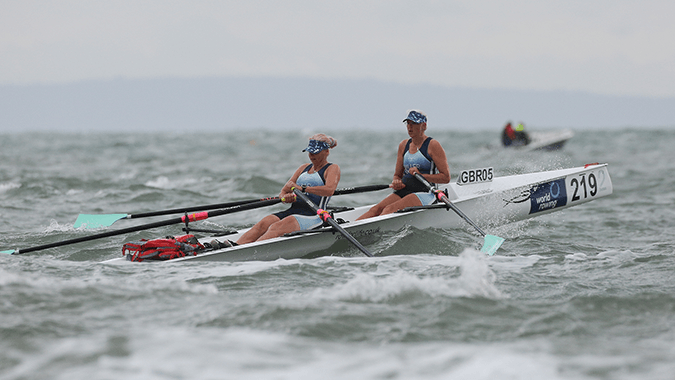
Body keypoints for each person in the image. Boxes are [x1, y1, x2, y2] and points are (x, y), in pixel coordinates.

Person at [232, 133, 341, 245]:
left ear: (327, 152)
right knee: (265, 222)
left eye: (316, 152)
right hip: (293, 211)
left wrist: (303, 189)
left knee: (277, 226)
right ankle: (235, 246)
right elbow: (284, 191)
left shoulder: (332, 168)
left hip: (315, 215)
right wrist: (285, 198)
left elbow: (329, 190)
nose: (312, 155)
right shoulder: (303, 168)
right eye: (310, 151)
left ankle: (250, 251)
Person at [356, 110, 450, 220]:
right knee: (375, 209)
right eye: (408, 123)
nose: (410, 127)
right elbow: (397, 175)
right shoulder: (404, 145)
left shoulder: (433, 145)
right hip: (405, 190)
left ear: (424, 126)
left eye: (414, 124)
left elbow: (446, 177)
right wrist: (396, 181)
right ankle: (349, 228)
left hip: (426, 192)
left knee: (389, 209)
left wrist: (420, 175)